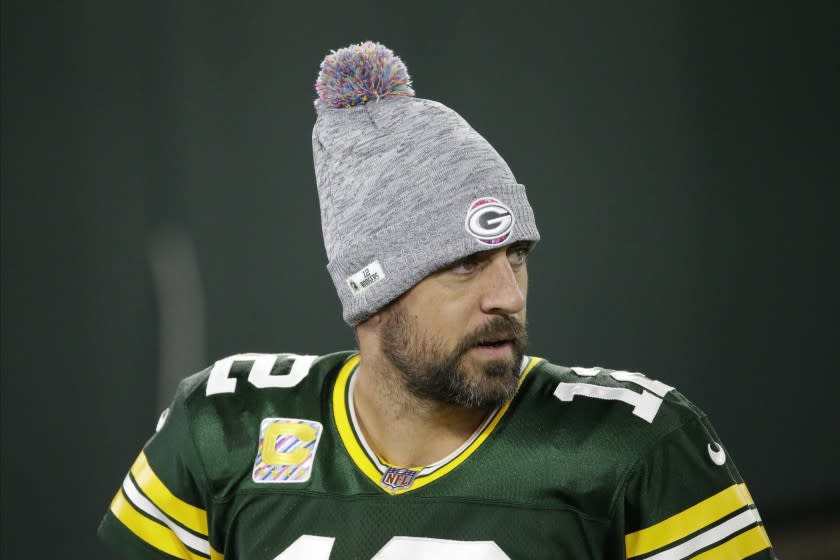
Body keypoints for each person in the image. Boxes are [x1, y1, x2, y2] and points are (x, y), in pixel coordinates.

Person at [98, 41, 775, 560]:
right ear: (372, 297)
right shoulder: (224, 428)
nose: (507, 296)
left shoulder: (639, 449)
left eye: (516, 256)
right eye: (463, 266)